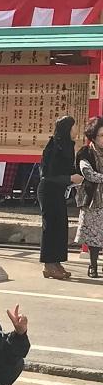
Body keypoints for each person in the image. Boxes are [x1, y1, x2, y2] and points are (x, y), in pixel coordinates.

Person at [39, 116, 82, 279]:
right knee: (50, 228)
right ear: (67, 129)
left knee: (60, 227)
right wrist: (70, 179)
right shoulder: (53, 146)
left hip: (58, 191)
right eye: (74, 126)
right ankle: (48, 264)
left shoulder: (68, 146)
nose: (76, 129)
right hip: (48, 190)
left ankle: (56, 262)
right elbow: (47, 175)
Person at [74, 117, 103, 278]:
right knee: (94, 237)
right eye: (102, 135)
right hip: (93, 200)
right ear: (93, 136)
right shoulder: (85, 153)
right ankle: (93, 265)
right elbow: (88, 173)